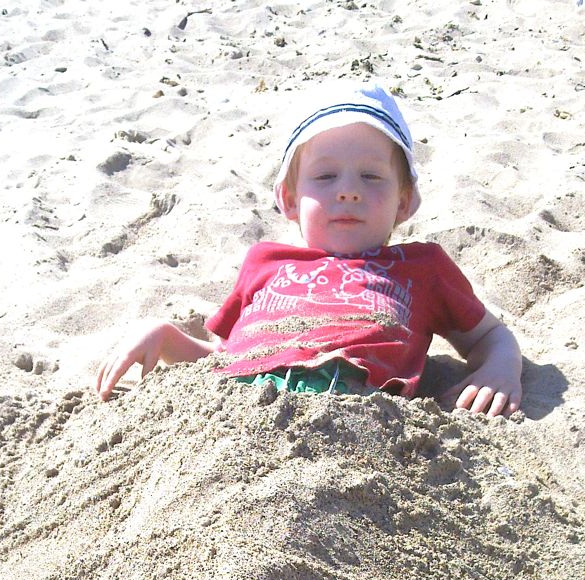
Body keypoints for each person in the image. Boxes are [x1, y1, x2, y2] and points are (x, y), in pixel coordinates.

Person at [96, 84, 522, 418]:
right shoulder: (264, 261)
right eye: (326, 176)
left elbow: (490, 336)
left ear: (404, 200)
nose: (349, 191)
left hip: (348, 419)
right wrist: (166, 338)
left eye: (372, 177)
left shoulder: (422, 267)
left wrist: (500, 369)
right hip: (234, 415)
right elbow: (229, 360)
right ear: (289, 199)